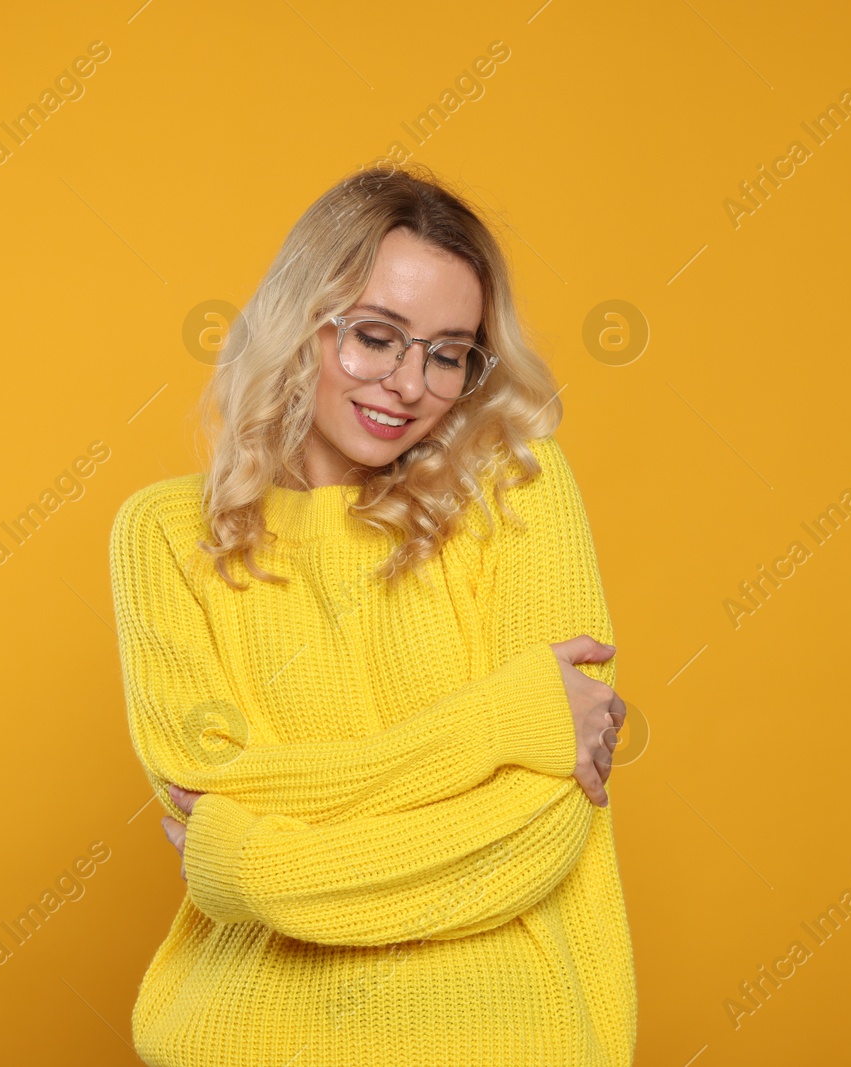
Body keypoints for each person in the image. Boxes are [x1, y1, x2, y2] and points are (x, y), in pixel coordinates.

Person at [107, 162, 637, 1066]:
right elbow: (210, 786)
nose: (406, 382)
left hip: (505, 1040)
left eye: (446, 351)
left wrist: (248, 866)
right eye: (375, 335)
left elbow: (541, 827)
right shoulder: (165, 536)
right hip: (243, 1041)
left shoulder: (518, 490)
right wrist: (506, 720)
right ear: (297, 325)